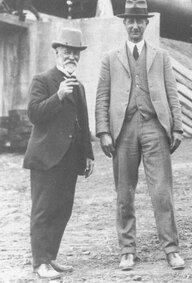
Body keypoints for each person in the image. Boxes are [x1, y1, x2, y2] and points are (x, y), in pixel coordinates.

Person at [95, 0, 185, 271]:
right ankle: (127, 250)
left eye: (140, 21)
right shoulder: (110, 58)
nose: (135, 26)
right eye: (130, 21)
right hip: (123, 130)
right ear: (124, 24)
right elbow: (102, 98)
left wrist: (177, 126)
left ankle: (171, 250)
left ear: (147, 24)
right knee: (124, 192)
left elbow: (172, 94)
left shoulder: (161, 56)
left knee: (161, 192)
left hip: (155, 127)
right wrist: (103, 132)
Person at [23, 28, 94, 279]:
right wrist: (59, 96)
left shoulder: (80, 86)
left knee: (63, 209)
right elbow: (33, 113)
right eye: (67, 51)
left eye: (75, 53)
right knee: (44, 210)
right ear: (56, 52)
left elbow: (83, 123)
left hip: (69, 160)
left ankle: (50, 257)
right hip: (46, 159)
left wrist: (88, 155)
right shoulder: (43, 80)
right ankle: (39, 262)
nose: (71, 57)